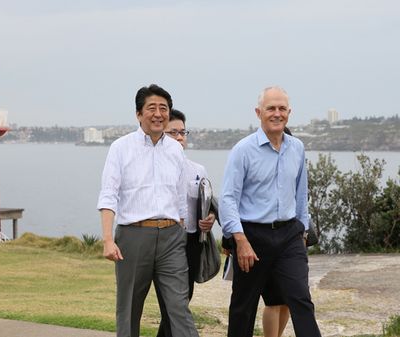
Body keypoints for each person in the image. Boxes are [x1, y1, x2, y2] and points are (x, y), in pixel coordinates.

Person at [219, 86, 321, 337]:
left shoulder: (297, 147)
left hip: (289, 236)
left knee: (301, 300)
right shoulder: (243, 150)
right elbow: (228, 199)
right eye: (271, 108)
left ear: (289, 112)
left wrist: (303, 232)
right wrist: (239, 240)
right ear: (259, 112)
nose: (277, 113)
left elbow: (300, 194)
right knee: (244, 307)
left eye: (282, 108)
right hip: (252, 237)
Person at [97, 84, 199, 337]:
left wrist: (184, 229)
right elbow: (109, 194)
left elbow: (178, 198)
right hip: (133, 236)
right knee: (129, 308)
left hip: (172, 237)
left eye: (163, 108)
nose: (158, 114)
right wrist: (108, 240)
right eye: (151, 108)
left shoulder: (175, 149)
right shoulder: (121, 148)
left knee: (179, 306)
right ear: (138, 114)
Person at [155, 109, 216, 337]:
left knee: (182, 301)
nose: (180, 137)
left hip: (190, 242)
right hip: (164, 242)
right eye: (173, 133)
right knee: (172, 305)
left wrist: (210, 218)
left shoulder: (198, 170)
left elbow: (208, 204)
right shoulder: (155, 169)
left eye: (183, 132)